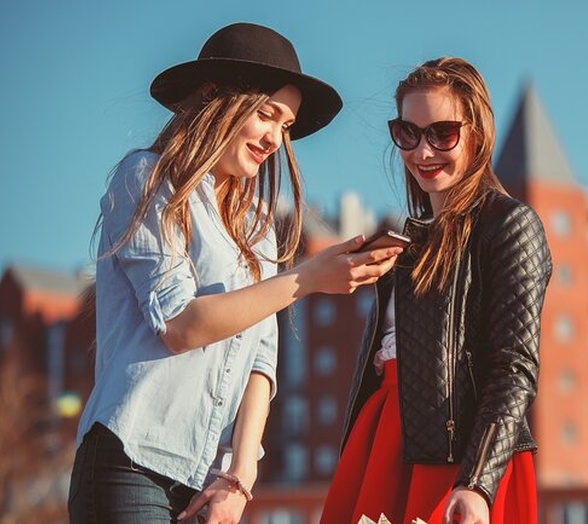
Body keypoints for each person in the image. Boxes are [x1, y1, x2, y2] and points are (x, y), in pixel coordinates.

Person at [68, 23, 401, 524]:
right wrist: (306, 279)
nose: (274, 138)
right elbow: (181, 325)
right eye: (267, 115)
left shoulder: (257, 225)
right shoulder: (146, 178)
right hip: (129, 463)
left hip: (208, 484)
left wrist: (240, 478)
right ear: (214, 99)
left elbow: (262, 360)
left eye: (285, 126)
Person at [320, 57, 553, 524]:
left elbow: (514, 366)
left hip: (459, 454)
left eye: (441, 133)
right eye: (407, 133)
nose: (423, 152)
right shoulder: (406, 242)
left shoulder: (510, 224)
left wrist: (477, 482)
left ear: (477, 134)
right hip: (383, 436)